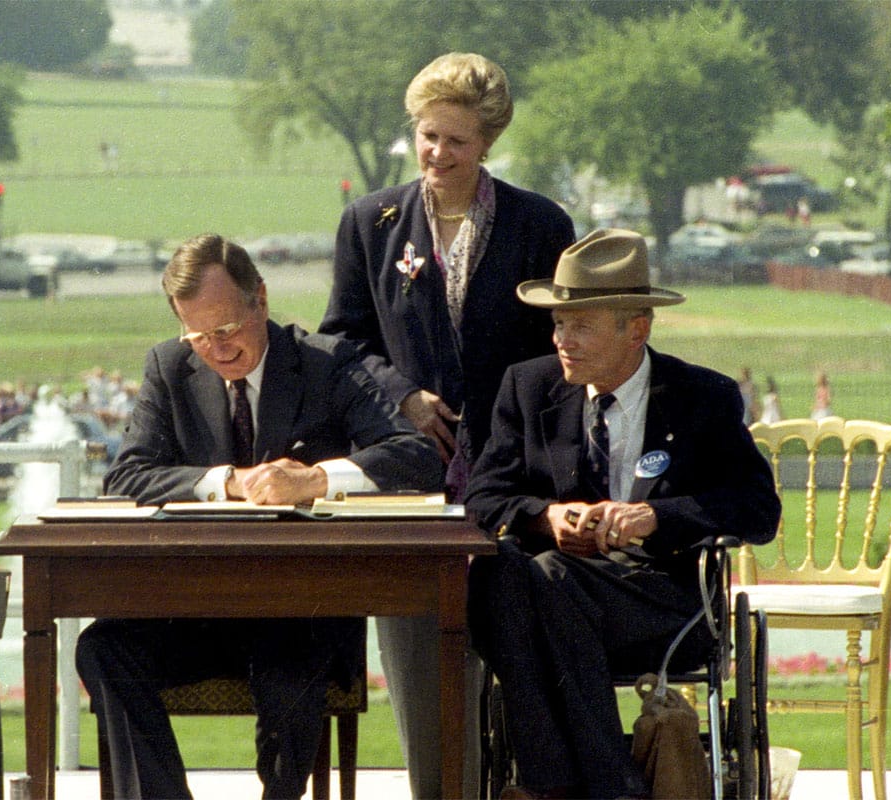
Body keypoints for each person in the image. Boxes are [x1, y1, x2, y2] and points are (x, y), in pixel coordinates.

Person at [76, 234, 441, 800]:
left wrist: (314, 480)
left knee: (290, 662)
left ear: (261, 300)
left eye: (226, 329)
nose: (217, 349)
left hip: (303, 610)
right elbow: (126, 476)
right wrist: (226, 481)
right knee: (102, 648)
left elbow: (415, 456)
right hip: (199, 611)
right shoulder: (168, 367)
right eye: (199, 336)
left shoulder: (325, 363)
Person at [317, 52, 575, 797]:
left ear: (487, 142)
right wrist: (403, 397)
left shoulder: (540, 224)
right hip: (408, 476)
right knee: (417, 650)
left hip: (513, 470)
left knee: (519, 636)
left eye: (456, 141)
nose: (436, 153)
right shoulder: (370, 223)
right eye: (427, 136)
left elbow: (562, 347)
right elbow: (344, 341)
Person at [463, 228, 780, 799]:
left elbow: (758, 509)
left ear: (637, 329)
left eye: (580, 326)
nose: (562, 340)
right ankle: (603, 788)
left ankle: (552, 788)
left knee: (538, 580)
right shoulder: (528, 388)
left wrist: (656, 517)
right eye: (559, 324)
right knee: (501, 572)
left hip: (660, 598)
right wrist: (545, 518)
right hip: (551, 594)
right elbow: (483, 498)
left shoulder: (701, 397)